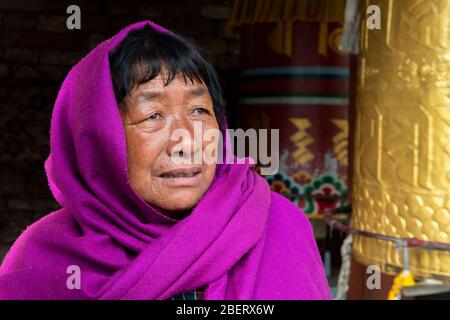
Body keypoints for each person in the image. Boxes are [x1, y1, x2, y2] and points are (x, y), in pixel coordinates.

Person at [0, 21, 330, 300]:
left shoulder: (275, 225)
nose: (187, 140)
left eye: (200, 111)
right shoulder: (41, 263)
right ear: (98, 143)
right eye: (153, 115)